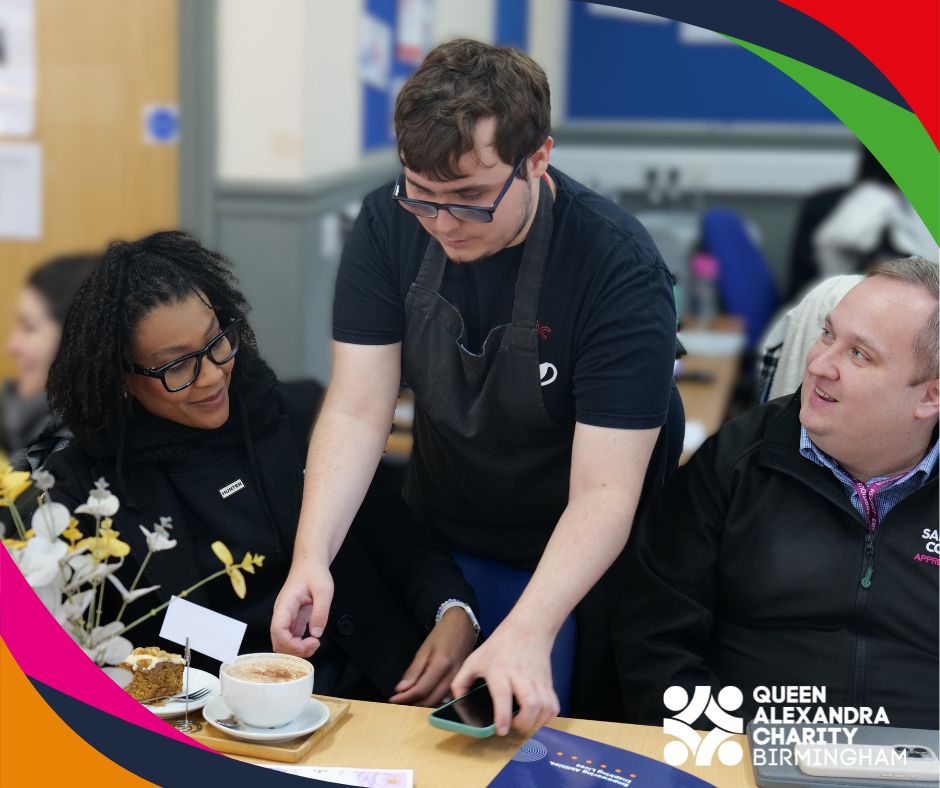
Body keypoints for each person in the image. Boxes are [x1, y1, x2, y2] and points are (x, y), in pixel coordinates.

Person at [272, 39, 683, 732]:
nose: (443, 223)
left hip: (578, 557)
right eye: (422, 196)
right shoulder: (385, 224)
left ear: (538, 158)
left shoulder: (617, 266)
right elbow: (357, 409)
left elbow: (605, 492)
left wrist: (530, 627)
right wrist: (313, 555)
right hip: (446, 528)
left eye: (469, 199)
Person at [42, 231, 480, 704]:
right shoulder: (88, 491)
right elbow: (108, 652)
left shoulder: (299, 417)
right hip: (226, 727)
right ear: (122, 378)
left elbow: (405, 548)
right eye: (176, 367)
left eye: (217, 343)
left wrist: (454, 613)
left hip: (387, 698)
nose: (211, 375)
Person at [615, 256, 938, 729]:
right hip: (747, 756)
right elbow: (653, 638)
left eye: (859, 355)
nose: (819, 364)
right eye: (828, 334)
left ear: (930, 396)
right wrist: (719, 749)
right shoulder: (737, 461)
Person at [2, 254, 101, 470]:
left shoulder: (85, 460)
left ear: (75, 342)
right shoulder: (18, 419)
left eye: (28, 327)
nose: (12, 346)